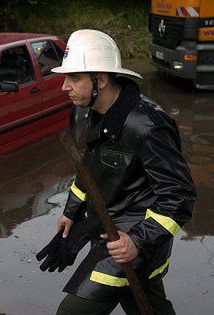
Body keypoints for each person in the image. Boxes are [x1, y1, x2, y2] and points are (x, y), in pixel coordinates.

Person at [50, 29, 197, 314]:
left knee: (71, 312)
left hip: (130, 244)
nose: (64, 86)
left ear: (101, 80)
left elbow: (179, 197)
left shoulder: (147, 126)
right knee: (145, 305)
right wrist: (72, 211)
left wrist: (137, 241)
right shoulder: (98, 112)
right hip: (111, 233)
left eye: (74, 78)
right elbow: (91, 173)